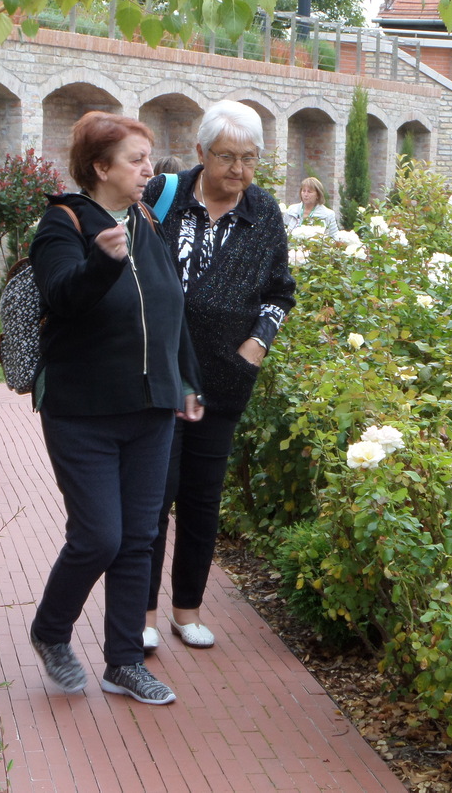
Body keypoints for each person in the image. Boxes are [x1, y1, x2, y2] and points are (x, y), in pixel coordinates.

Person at [27, 111, 204, 705]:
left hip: (150, 409)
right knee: (99, 537)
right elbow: (62, 296)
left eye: (148, 157)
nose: (148, 169)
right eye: (135, 159)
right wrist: (101, 262)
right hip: (83, 412)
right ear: (100, 168)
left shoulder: (145, 221)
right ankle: (51, 631)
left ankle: (124, 663)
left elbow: (172, 308)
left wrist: (186, 381)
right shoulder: (64, 223)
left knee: (138, 538)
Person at [141, 100, 296, 650]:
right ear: (201, 152)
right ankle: (143, 615)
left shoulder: (264, 213)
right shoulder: (163, 196)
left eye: (249, 158)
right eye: (227, 156)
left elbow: (280, 293)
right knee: (153, 498)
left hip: (224, 379)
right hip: (159, 375)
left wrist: (256, 346)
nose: (238, 169)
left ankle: (187, 610)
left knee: (202, 500)